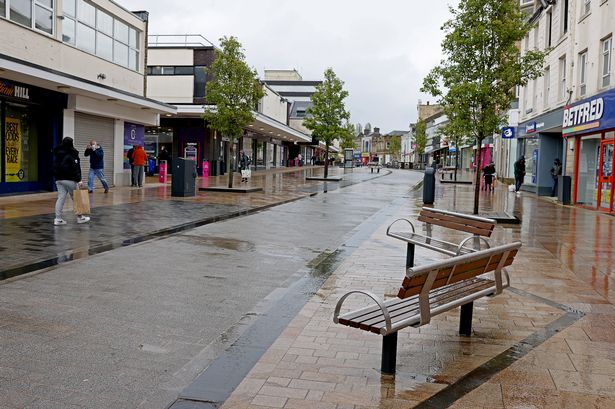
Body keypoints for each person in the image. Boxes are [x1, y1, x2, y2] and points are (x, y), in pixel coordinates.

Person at [52, 137, 90, 225]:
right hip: (69, 179)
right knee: (76, 198)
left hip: (58, 179)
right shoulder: (72, 153)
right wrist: (79, 180)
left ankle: (58, 219)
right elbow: (75, 168)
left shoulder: (57, 153)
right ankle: (80, 218)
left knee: (61, 198)